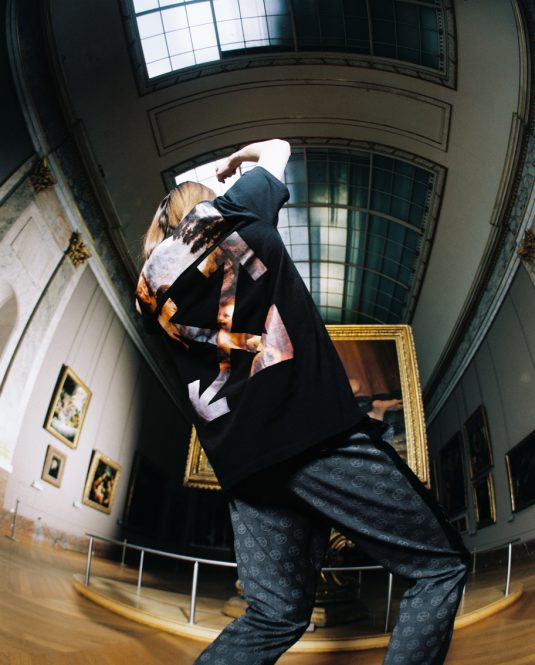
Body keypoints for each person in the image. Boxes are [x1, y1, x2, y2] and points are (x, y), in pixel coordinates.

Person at [135, 139, 469, 665]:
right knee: (440, 567)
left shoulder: (148, 297)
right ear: (200, 207)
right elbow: (278, 147)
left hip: (245, 468)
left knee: (274, 615)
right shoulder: (232, 214)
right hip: (314, 436)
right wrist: (236, 164)